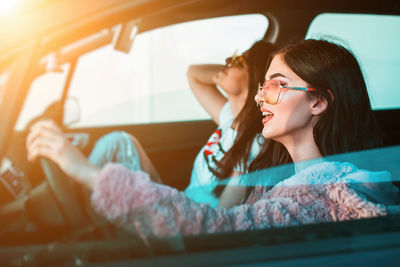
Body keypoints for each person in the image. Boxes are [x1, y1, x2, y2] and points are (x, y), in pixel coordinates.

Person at [26, 39, 399, 238]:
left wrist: (87, 172)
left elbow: (216, 230)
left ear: (318, 101)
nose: (259, 98)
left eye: (276, 87)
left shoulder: (327, 194)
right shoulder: (288, 180)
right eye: (261, 86)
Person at [87, 41, 275, 208]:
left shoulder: (255, 146)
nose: (228, 61)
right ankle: (87, 217)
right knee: (119, 142)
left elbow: (223, 218)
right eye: (233, 57)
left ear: (256, 78)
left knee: (116, 143)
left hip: (191, 225)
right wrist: (228, 73)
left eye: (240, 61)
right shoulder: (229, 118)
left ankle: (84, 221)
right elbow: (193, 73)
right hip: (180, 202)